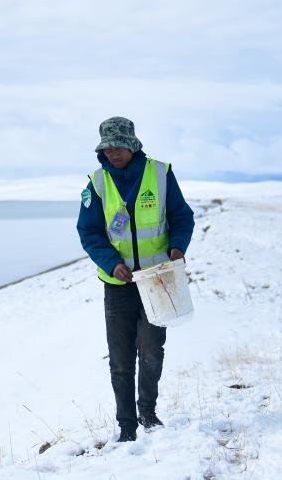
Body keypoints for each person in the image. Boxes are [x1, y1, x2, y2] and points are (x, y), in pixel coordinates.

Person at [76, 116, 195, 442]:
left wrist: (176, 247)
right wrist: (112, 263)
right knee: (120, 359)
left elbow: (182, 217)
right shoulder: (96, 184)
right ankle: (126, 427)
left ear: (132, 145)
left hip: (157, 281)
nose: (113, 152)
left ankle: (148, 413)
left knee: (152, 351)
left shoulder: (160, 174)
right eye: (107, 147)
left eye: (119, 146)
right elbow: (88, 232)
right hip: (118, 287)